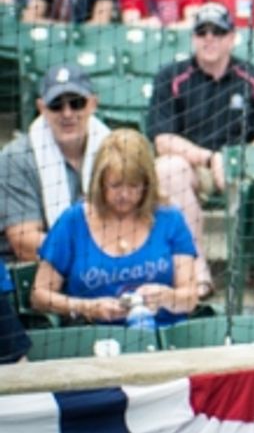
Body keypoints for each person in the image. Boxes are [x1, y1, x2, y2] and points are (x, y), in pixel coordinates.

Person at [147, 3, 254, 298]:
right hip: (194, 168)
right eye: (202, 32)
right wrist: (211, 158)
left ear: (231, 37)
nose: (209, 38)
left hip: (241, 165)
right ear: (193, 37)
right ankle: (196, 269)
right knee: (168, 168)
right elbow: (163, 140)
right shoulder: (170, 77)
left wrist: (234, 160)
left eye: (218, 32)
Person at [30, 128, 198, 326]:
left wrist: (167, 297)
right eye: (116, 185)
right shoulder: (73, 221)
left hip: (164, 335)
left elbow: (190, 297)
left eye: (134, 186)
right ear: (100, 182)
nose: (125, 195)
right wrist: (87, 307)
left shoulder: (170, 218)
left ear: (147, 183)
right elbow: (39, 296)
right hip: (95, 338)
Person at [0, 66, 110, 265]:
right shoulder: (16, 157)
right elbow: (25, 243)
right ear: (41, 107)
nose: (67, 114)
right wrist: (94, 251)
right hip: (37, 270)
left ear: (93, 104)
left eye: (76, 103)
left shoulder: (114, 149)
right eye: (56, 104)